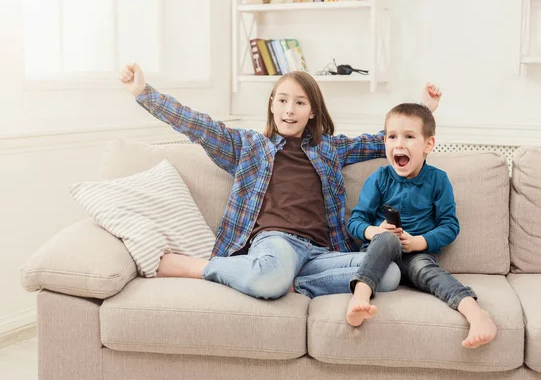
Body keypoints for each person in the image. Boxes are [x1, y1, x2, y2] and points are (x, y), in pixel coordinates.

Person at [120, 63, 441, 300]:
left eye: (300, 102)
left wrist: (424, 109)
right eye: (283, 100)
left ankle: (291, 283)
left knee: (388, 273)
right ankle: (201, 267)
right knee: (268, 276)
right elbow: (197, 125)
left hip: (320, 253)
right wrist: (144, 94)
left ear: (313, 111)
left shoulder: (329, 147)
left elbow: (383, 140)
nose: (290, 110)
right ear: (272, 104)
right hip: (276, 243)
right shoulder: (248, 145)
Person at [345, 103, 497, 349]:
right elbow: (356, 221)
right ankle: (359, 298)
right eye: (392, 136)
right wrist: (375, 231)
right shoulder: (379, 179)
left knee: (429, 272)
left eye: (409, 136)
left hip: (417, 254)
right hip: (380, 253)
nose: (399, 143)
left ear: (428, 144)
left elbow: (449, 226)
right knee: (386, 239)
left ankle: (477, 314)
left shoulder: (438, 180)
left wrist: (419, 242)